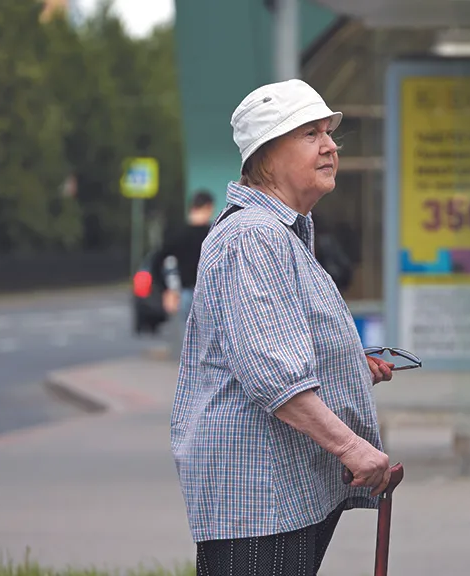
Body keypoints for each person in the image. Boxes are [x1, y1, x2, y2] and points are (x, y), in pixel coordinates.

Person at [170, 79, 396, 576]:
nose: (331, 145)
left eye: (329, 134)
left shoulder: (280, 232)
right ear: (266, 155)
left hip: (277, 493)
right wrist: (353, 448)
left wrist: (346, 367)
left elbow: (270, 345)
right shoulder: (253, 238)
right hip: (257, 498)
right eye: (311, 133)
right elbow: (276, 378)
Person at [155, 189, 215, 321]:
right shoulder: (213, 234)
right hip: (208, 294)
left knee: (186, 337)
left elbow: (157, 260)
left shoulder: (178, 234)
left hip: (184, 293)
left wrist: (167, 289)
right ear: (208, 207)